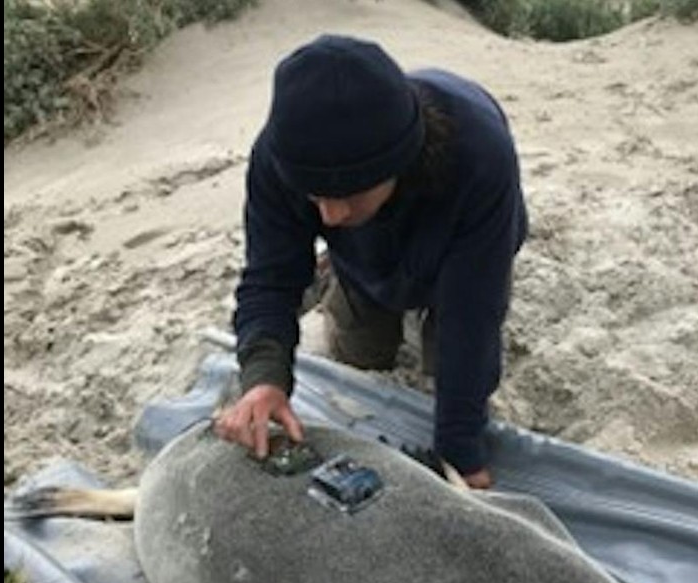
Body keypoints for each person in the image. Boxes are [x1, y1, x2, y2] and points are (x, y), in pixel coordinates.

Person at [214, 34, 527, 490]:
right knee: (361, 346)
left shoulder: (479, 155)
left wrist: (461, 451)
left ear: (398, 162)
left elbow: (473, 314)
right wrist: (265, 379)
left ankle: (385, 280)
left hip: (464, 231)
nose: (329, 215)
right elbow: (269, 277)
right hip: (364, 249)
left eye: (346, 194)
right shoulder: (281, 157)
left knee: (454, 340)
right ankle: (344, 276)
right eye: (315, 196)